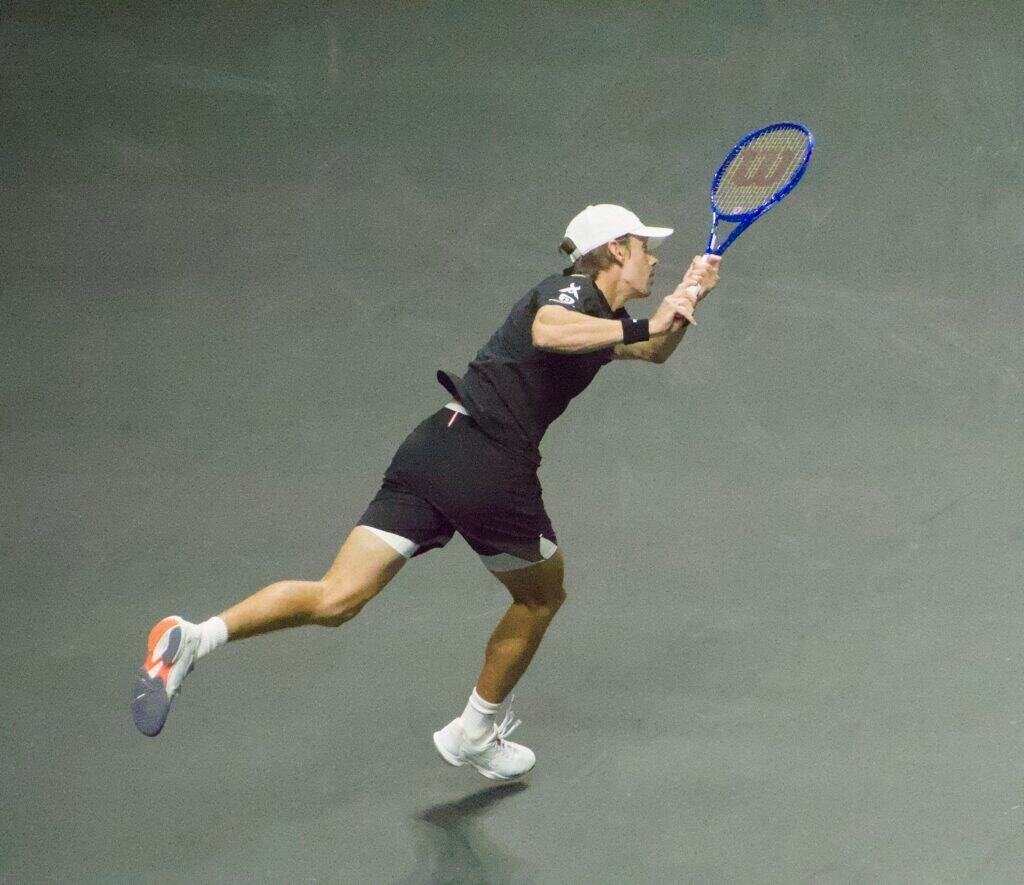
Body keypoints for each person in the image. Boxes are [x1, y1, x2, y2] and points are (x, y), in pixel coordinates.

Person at [132, 203, 721, 781]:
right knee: (541, 598)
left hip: (434, 448)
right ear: (616, 249)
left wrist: (687, 300)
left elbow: (649, 348)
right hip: (489, 464)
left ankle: (192, 639)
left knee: (337, 598)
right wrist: (647, 321)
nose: (655, 260)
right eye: (647, 247)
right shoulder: (568, 293)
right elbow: (549, 332)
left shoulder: (599, 319)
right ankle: (474, 731)